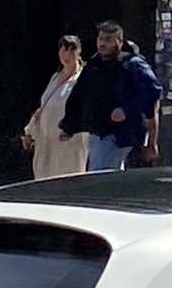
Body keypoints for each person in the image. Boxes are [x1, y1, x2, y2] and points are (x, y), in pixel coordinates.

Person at [59, 20, 160, 172]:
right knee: (109, 178)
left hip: (120, 133)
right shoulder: (94, 64)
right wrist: (69, 126)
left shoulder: (132, 64)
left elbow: (153, 92)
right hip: (97, 131)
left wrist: (126, 110)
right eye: (100, 38)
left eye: (108, 39)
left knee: (99, 178)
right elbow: (79, 95)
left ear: (119, 42)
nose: (102, 43)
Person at [19, 35, 89, 179]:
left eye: (71, 50)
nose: (67, 54)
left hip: (69, 140)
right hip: (46, 139)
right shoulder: (55, 78)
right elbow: (44, 107)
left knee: (68, 179)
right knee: (43, 178)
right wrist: (30, 131)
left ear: (79, 52)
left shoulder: (83, 79)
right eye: (63, 50)